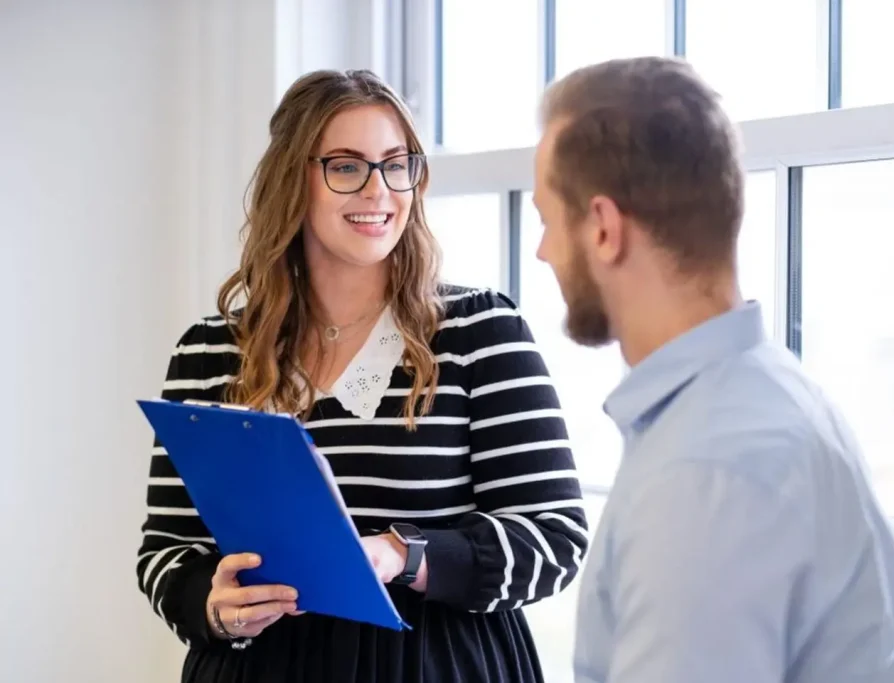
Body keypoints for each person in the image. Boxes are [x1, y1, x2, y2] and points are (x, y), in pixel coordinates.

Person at [136, 68, 588, 683]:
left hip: (435, 665)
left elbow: (554, 539)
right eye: (346, 167)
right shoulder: (210, 350)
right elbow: (166, 548)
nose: (378, 190)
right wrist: (214, 606)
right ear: (292, 180)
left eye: (396, 165)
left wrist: (403, 554)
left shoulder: (480, 332)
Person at [532, 56, 894, 683]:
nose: (542, 251)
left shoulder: (703, 473)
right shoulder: (769, 393)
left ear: (603, 228)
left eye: (547, 220)